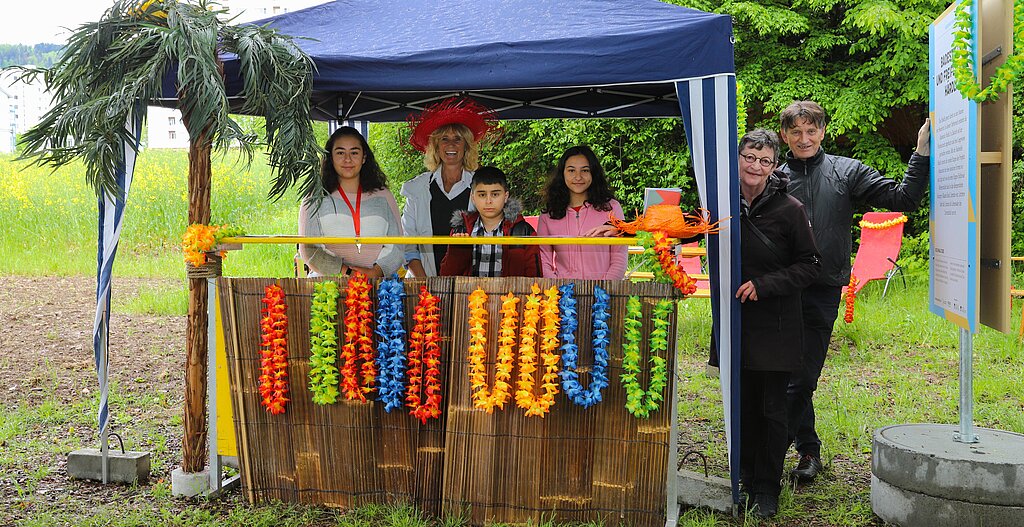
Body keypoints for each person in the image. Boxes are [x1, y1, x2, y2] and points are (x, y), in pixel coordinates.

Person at [779, 101, 930, 482]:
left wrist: (921, 153)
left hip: (823, 289)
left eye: (811, 130)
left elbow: (902, 200)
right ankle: (809, 451)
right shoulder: (773, 177)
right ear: (784, 136)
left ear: (823, 131)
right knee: (785, 375)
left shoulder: (847, 171)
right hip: (780, 291)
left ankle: (768, 455)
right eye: (795, 132)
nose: (804, 138)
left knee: (803, 377)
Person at [734, 129, 821, 518]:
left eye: (765, 160)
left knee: (772, 408)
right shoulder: (721, 204)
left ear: (773, 167)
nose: (755, 166)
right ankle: (747, 476)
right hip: (737, 320)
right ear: (737, 158)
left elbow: (809, 265)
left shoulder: (790, 209)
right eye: (749, 157)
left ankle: (767, 487)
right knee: (743, 404)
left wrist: (765, 285)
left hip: (778, 323)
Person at [401, 96, 498, 278]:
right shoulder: (417, 188)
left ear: (467, 146)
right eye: (444, 139)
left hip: (469, 286)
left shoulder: (482, 186)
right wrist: (425, 284)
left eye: (458, 139)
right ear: (436, 146)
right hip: (423, 285)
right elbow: (408, 244)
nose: (451, 145)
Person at [299, 126, 403, 278]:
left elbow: (397, 247)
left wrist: (375, 273)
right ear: (330, 157)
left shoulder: (384, 196)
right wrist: (347, 272)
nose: (347, 159)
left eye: (354, 152)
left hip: (376, 287)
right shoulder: (314, 198)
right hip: (327, 290)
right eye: (340, 153)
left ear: (364, 157)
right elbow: (310, 250)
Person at [537, 146, 628, 279]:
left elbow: (619, 256)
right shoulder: (549, 213)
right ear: (562, 174)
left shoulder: (611, 207)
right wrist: (557, 288)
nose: (578, 177)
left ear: (594, 173)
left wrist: (603, 290)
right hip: (562, 293)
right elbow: (543, 257)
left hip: (604, 293)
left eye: (585, 170)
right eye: (571, 170)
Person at [439, 166, 541, 277]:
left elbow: (535, 279)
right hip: (468, 294)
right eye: (482, 195)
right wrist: (458, 250)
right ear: (473, 198)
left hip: (511, 294)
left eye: (495, 194)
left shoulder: (523, 231)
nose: (488, 201)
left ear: (505, 196)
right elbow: (446, 276)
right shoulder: (461, 230)